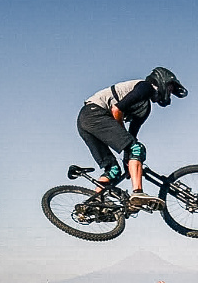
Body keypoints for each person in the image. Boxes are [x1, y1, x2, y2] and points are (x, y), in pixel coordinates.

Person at [77, 67, 188, 209]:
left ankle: (90, 207)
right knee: (137, 148)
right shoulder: (145, 87)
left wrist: (127, 159)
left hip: (85, 121)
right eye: (171, 88)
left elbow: (131, 136)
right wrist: (128, 143)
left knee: (113, 171)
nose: (170, 93)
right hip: (95, 114)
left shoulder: (144, 108)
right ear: (163, 80)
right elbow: (116, 110)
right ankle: (138, 192)